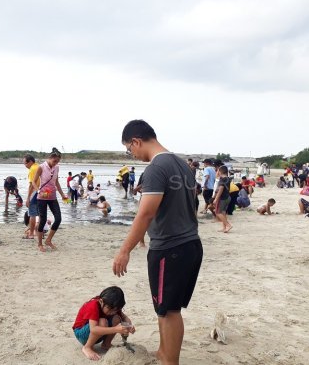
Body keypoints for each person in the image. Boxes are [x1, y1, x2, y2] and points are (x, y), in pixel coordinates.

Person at [112, 120, 203, 365]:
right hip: (191, 244)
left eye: (129, 149)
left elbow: (146, 213)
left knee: (168, 310)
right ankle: (165, 352)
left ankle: (170, 360)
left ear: (136, 141)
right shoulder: (183, 165)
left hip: (170, 248)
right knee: (168, 308)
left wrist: (124, 250)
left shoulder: (155, 168)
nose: (131, 153)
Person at [72, 286, 135, 361]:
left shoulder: (113, 306)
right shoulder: (93, 305)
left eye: (115, 310)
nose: (112, 312)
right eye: (109, 309)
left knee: (117, 318)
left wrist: (129, 326)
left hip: (97, 333)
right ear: (101, 301)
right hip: (81, 333)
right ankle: (87, 347)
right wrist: (115, 329)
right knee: (102, 321)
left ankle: (106, 344)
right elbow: (93, 329)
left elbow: (124, 318)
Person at [32, 147, 67, 252]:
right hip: (41, 198)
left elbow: (56, 182)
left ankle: (48, 240)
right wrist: (39, 191)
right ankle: (39, 244)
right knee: (42, 220)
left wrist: (62, 194)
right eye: (54, 161)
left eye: (58, 161)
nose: (56, 163)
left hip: (52, 197)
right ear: (50, 158)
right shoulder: (41, 167)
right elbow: (34, 182)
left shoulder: (57, 168)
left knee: (58, 218)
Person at [24, 154, 40, 239]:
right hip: (42, 192)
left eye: (25, 163)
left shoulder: (32, 169)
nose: (25, 165)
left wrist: (28, 198)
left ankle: (31, 234)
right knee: (40, 213)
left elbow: (31, 185)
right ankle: (39, 233)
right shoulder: (39, 166)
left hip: (34, 192)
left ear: (30, 162)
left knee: (32, 214)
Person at [213, 166, 233, 233]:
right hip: (228, 197)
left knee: (218, 212)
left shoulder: (222, 179)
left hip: (222, 198)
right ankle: (224, 228)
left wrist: (215, 199)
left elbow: (221, 189)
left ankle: (228, 225)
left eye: (217, 171)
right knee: (223, 212)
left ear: (220, 171)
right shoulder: (227, 178)